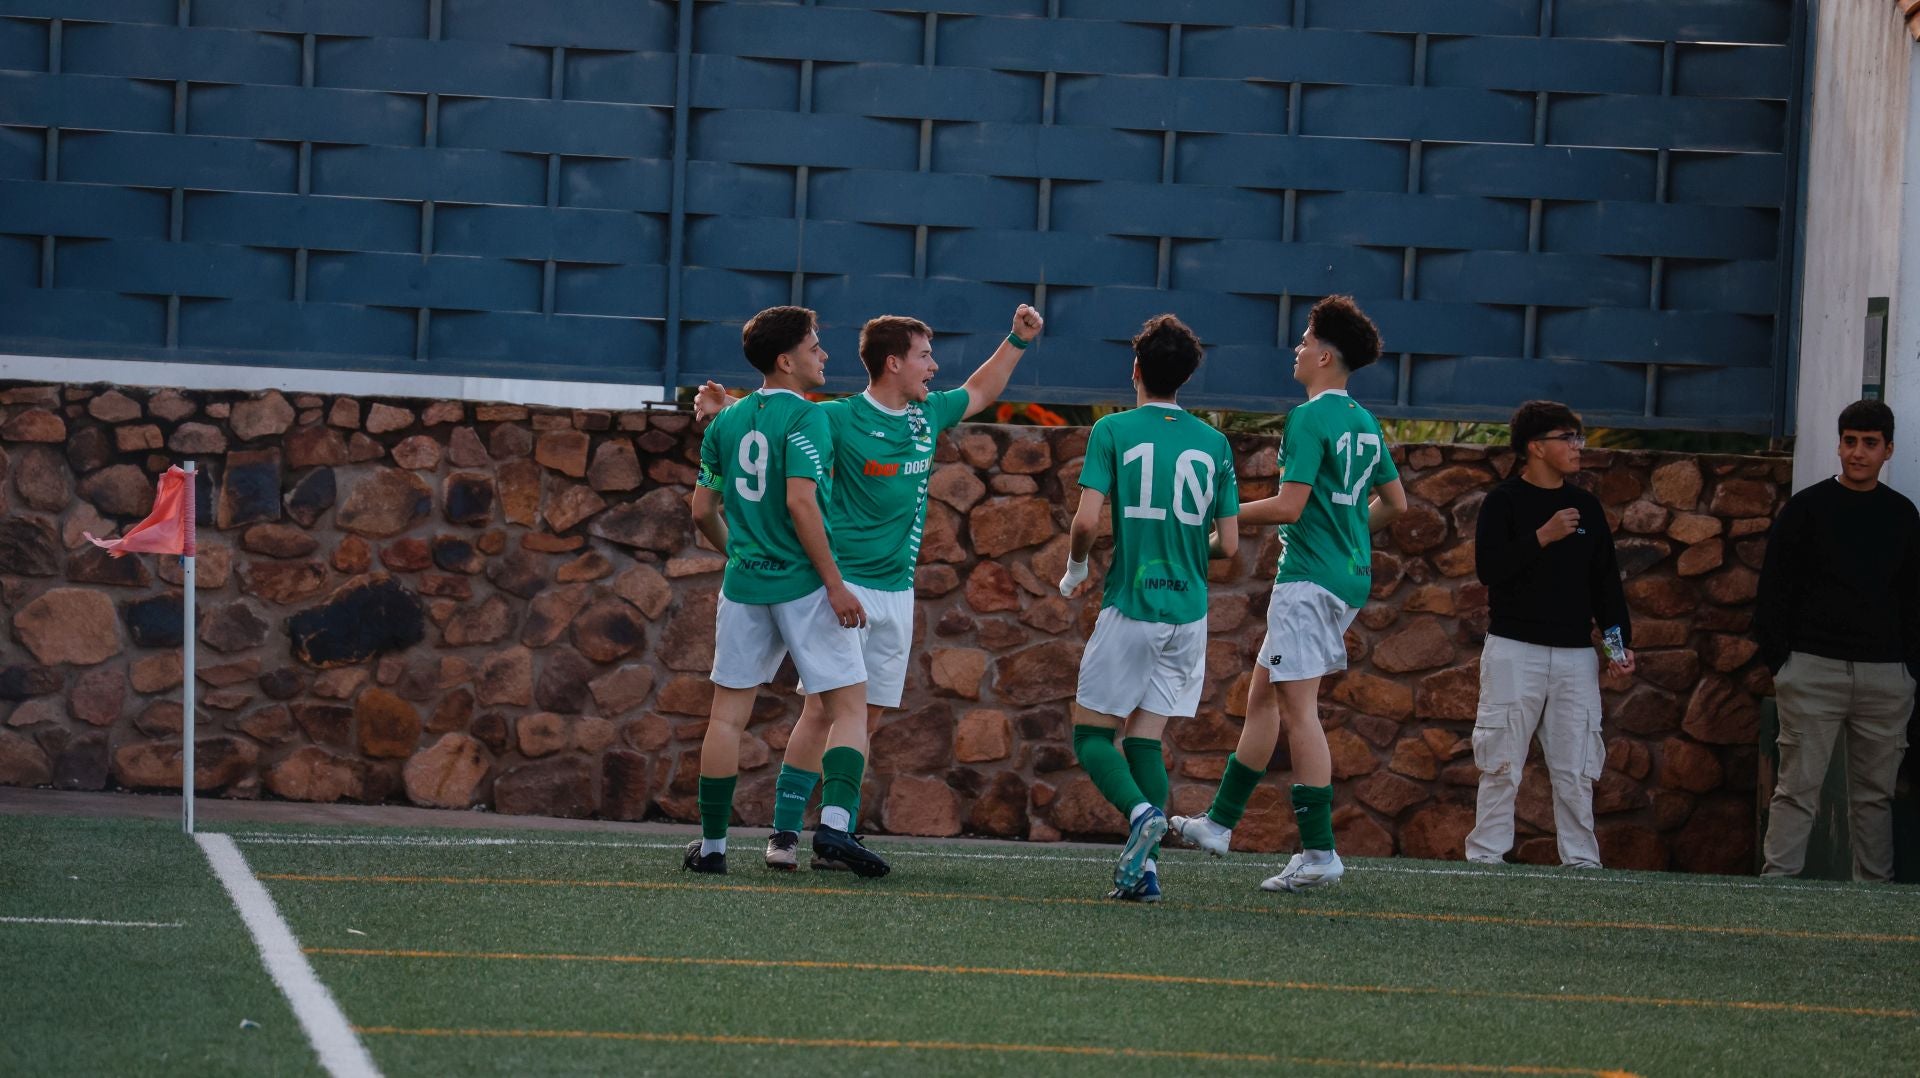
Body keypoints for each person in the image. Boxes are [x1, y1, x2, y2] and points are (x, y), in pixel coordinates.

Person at [695, 305, 1045, 872]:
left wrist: (1018, 340)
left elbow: (981, 390)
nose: (934, 366)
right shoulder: (836, 416)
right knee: (823, 712)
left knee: (869, 714)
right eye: (924, 356)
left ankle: (831, 837)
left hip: (895, 591)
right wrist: (726, 409)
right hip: (841, 585)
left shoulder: (927, 414)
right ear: (893, 363)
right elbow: (780, 420)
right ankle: (789, 834)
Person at [1169, 295, 1407, 892]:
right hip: (1345, 576)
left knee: (1299, 710)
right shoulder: (1363, 420)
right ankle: (1219, 824)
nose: (1297, 350)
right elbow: (1396, 505)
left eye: (1304, 341)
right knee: (1264, 699)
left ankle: (1321, 853)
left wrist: (1218, 514)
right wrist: (1349, 535)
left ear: (1324, 355)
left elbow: (1291, 505)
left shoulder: (1309, 417)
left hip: (1308, 581)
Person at [684, 305, 876, 876]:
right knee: (850, 709)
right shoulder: (807, 418)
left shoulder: (724, 422)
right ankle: (836, 829)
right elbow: (799, 501)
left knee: (726, 719)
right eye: (816, 347)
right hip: (802, 584)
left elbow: (702, 511)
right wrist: (835, 586)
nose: (824, 356)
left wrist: (739, 553)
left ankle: (714, 849)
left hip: (743, 584)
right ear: (786, 360)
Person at [1058, 314, 1240, 902]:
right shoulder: (1215, 443)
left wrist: (1078, 566)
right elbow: (1230, 545)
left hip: (1132, 604)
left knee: (1091, 737)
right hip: (1188, 614)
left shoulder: (1112, 431)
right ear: (1187, 377)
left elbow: (1087, 521)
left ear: (1135, 369)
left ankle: (1139, 813)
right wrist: (1190, 552)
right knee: (1144, 740)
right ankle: (1146, 873)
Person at [1463, 400, 1635, 869]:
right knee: (1500, 761)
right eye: (1568, 438)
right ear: (1536, 447)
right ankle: (1486, 856)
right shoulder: (1504, 501)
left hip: (1577, 656)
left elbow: (1606, 585)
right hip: (1514, 651)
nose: (1578, 447)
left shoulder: (1587, 507)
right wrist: (1542, 536)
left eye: (1578, 437)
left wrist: (1618, 647)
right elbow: (1489, 569)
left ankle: (1581, 861)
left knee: (1577, 766)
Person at [1757, 399, 1920, 882]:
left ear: (1888, 450)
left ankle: (1872, 905)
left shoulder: (1902, 516)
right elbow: (1773, 590)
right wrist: (1782, 663)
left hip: (1886, 677)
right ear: (1839, 444)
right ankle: (1776, 892)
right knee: (1797, 790)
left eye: (1869, 443)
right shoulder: (1806, 508)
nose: (1857, 453)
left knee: (1875, 798)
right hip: (1812, 669)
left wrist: (1908, 669)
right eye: (1850, 441)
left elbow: (1913, 598)